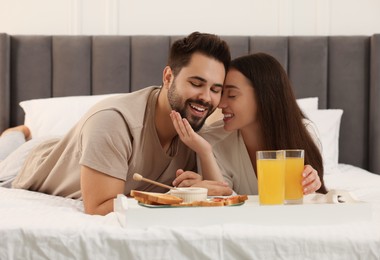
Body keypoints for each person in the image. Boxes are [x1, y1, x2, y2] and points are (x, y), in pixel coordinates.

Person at [0, 32, 233, 215]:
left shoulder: (196, 123)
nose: (206, 97)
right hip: (28, 165)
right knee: (11, 148)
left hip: (76, 149)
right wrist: (183, 196)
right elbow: (100, 207)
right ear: (168, 77)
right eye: (196, 83)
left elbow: (219, 195)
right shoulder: (112, 122)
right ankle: (16, 134)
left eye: (215, 89)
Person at [170, 52, 327, 195]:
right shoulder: (211, 141)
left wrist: (312, 183)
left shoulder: (302, 134)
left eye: (231, 95)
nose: (221, 104)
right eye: (222, 93)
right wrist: (205, 153)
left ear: (264, 97)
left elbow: (307, 202)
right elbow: (221, 202)